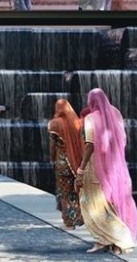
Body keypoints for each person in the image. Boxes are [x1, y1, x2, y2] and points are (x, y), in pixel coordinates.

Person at [76, 88, 137, 254]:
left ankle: (115, 238)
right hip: (116, 164)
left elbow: (90, 145)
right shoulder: (115, 113)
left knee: (91, 202)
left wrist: (81, 169)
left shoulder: (90, 118)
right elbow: (123, 138)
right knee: (114, 200)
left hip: (95, 166)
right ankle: (114, 243)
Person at [48, 98, 85, 229]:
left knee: (65, 192)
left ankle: (69, 222)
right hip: (76, 161)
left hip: (62, 163)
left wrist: (51, 159)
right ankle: (79, 218)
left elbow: (52, 146)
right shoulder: (76, 123)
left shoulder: (54, 124)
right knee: (75, 191)